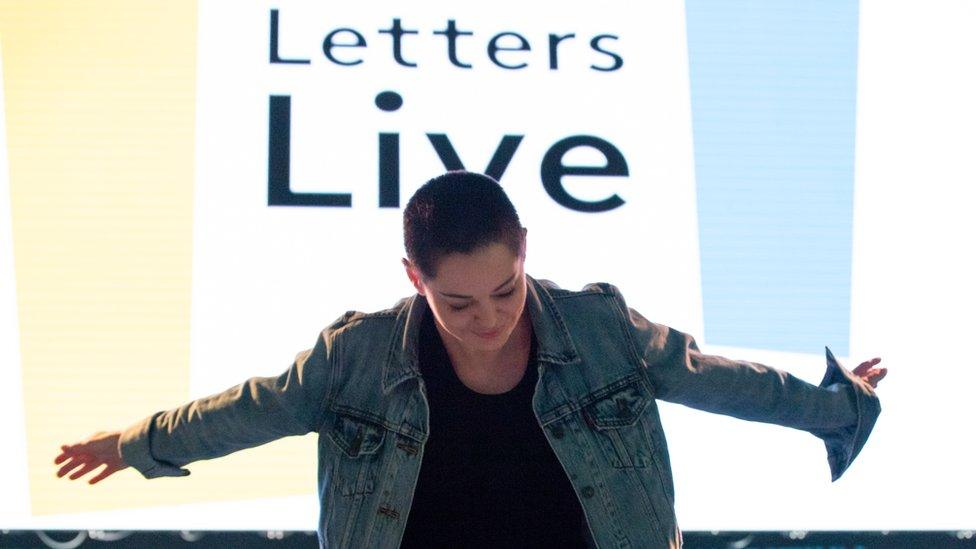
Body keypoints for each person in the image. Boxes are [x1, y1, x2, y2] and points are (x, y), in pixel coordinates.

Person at [55, 171, 886, 548]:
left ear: (524, 249)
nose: (487, 317)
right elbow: (252, 408)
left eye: (505, 288)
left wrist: (835, 404)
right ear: (414, 277)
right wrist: (136, 444)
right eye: (457, 302)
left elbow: (717, 379)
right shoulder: (358, 356)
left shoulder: (598, 326)